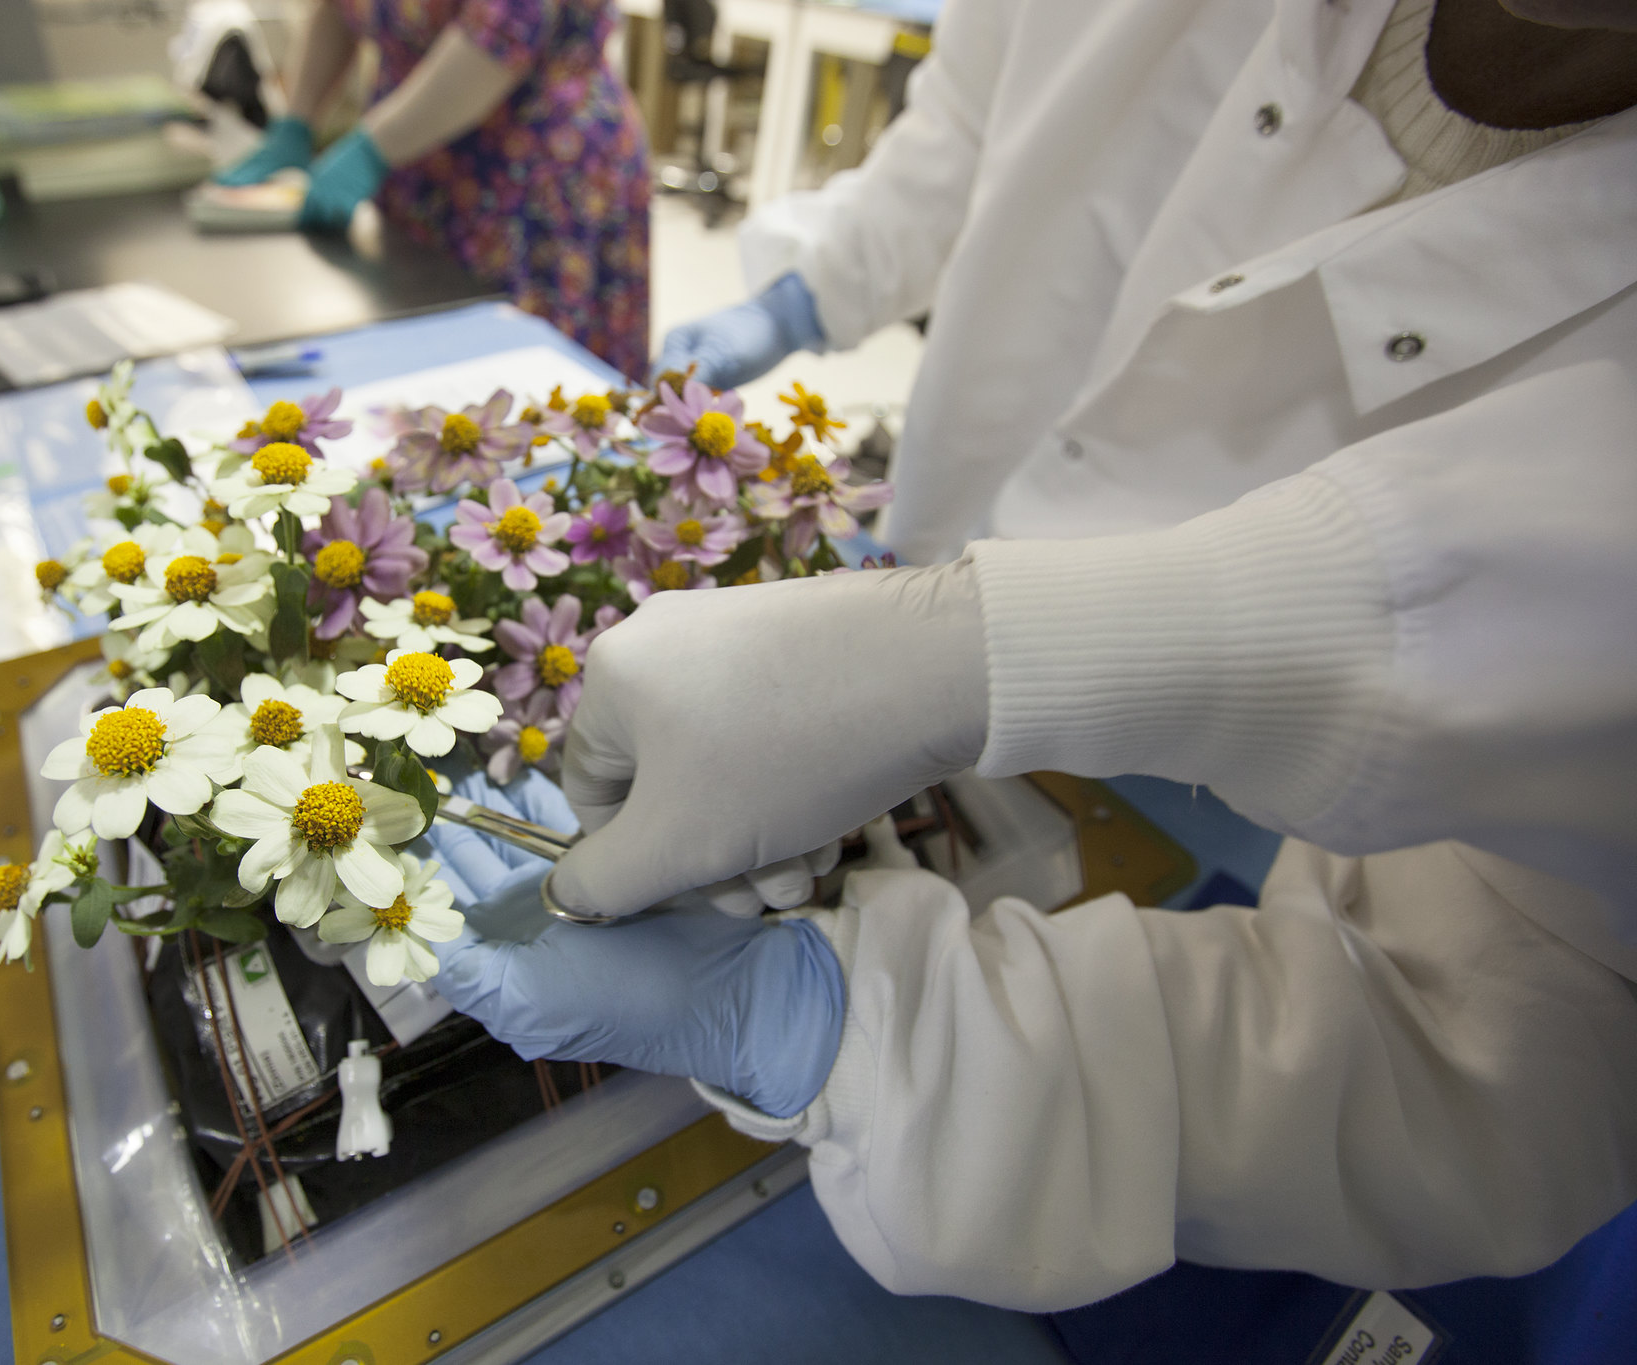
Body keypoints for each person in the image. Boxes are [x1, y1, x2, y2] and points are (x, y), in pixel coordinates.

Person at [423, 0, 1637, 1314]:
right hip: (949, 518)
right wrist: (807, 294)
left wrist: (816, 1017)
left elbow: (1500, 1044)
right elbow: (962, 127)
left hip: (1216, 837)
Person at [214, 0, 652, 379]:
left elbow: (500, 34)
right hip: (415, 164)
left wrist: (372, 149)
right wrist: (296, 121)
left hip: (538, 178)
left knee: (534, 396)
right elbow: (337, 9)